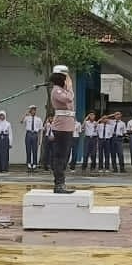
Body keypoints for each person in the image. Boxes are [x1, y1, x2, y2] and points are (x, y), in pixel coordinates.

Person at [46, 66, 77, 194]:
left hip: (68, 126)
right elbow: (68, 99)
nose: (68, 80)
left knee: (65, 155)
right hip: (61, 126)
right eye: (66, 77)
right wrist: (69, 87)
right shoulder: (57, 90)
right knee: (60, 156)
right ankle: (59, 184)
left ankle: (61, 183)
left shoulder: (63, 91)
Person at [22, 106, 43, 171]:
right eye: (32, 110)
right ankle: (28, 163)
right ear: (30, 111)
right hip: (28, 134)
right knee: (28, 149)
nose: (34, 111)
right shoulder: (27, 118)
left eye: (34, 110)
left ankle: (34, 163)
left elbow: (40, 130)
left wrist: (39, 139)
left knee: (35, 150)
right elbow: (21, 121)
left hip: (35, 134)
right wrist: (26, 114)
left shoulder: (38, 119)